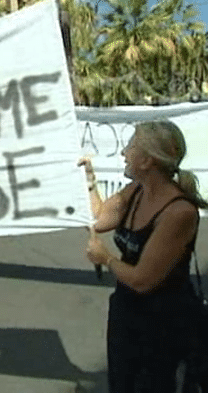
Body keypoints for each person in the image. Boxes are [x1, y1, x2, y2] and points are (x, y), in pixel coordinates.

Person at [80, 120, 208, 392]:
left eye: (130, 147)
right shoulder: (135, 191)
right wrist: (88, 179)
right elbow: (99, 219)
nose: (124, 153)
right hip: (127, 313)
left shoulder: (178, 213)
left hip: (164, 323)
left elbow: (142, 280)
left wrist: (106, 259)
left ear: (147, 161)